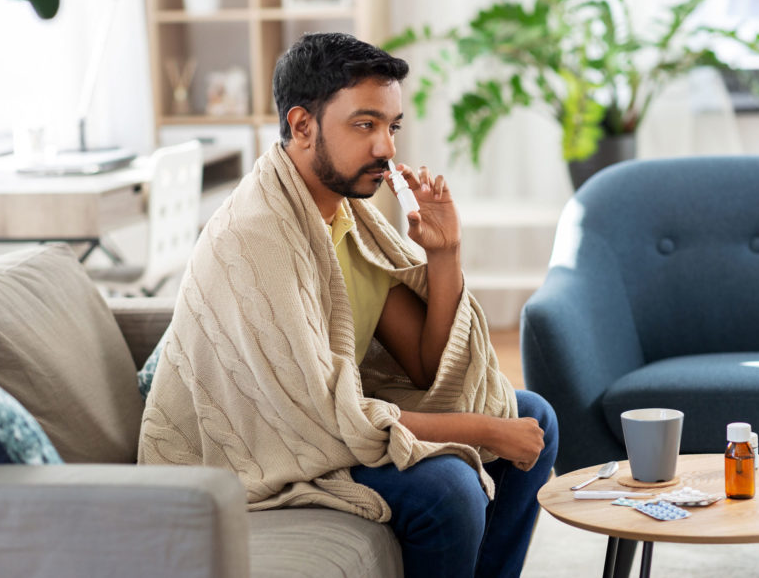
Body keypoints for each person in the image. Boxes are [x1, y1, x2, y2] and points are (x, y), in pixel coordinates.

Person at [139, 32, 558, 578]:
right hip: (249, 453)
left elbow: (425, 366)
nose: (386, 148)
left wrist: (444, 253)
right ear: (302, 125)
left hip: (322, 420)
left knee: (533, 416)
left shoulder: (347, 220)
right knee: (449, 489)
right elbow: (319, 418)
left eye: (392, 127)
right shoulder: (258, 236)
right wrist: (483, 432)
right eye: (365, 125)